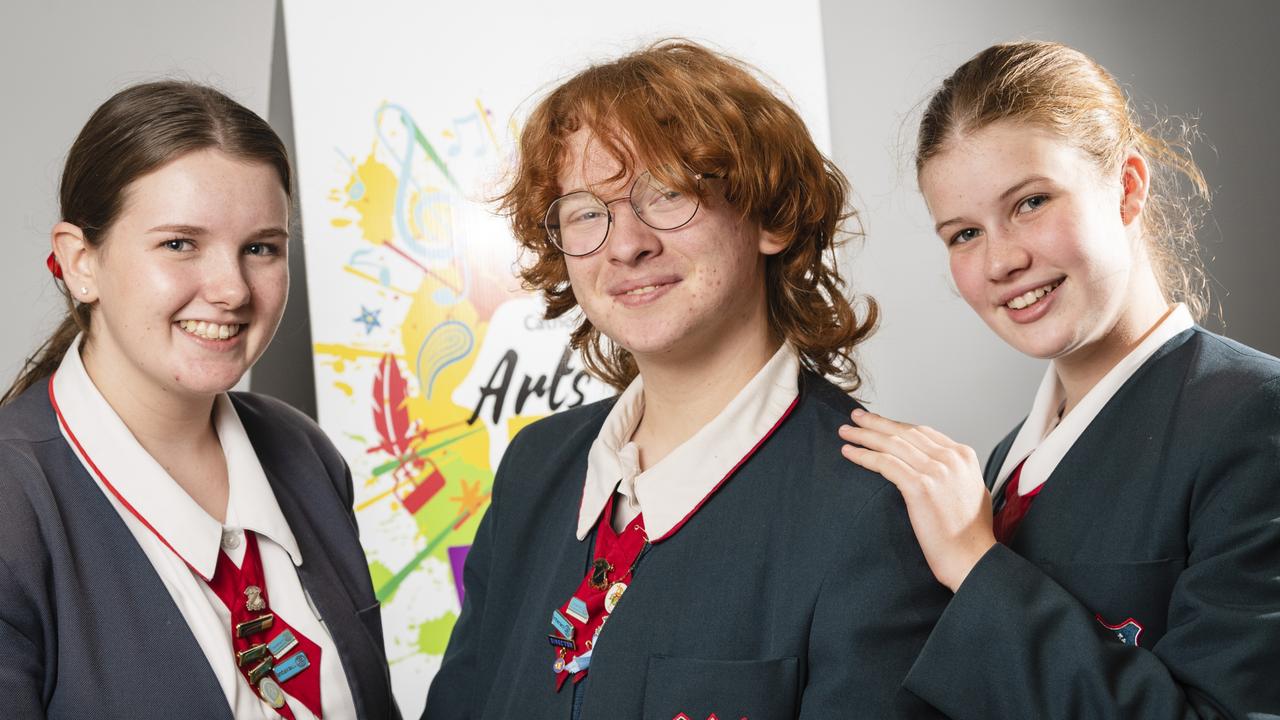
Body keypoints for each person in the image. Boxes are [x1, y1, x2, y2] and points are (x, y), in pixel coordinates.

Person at [423, 40, 950, 719]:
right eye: (587, 211)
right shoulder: (535, 468)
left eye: (666, 193)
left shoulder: (875, 506)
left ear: (769, 216)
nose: (625, 244)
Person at [838, 40, 1280, 718]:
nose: (1001, 261)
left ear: (1128, 187)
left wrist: (974, 565)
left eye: (1031, 202)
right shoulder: (1002, 465)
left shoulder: (1255, 418)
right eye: (962, 235)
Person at [0, 82, 399, 720]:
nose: (232, 290)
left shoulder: (305, 454)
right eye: (180, 243)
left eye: (261, 248)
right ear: (80, 262)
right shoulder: (15, 499)